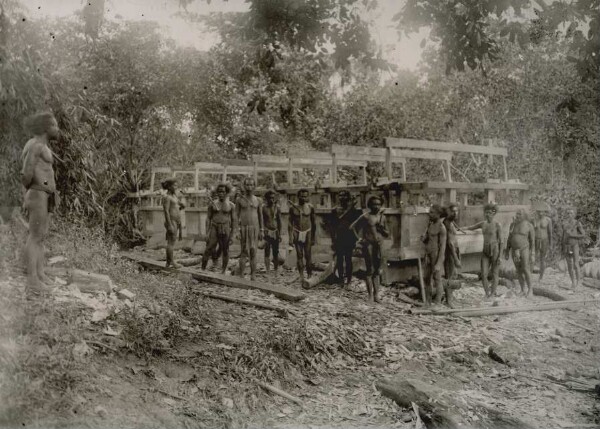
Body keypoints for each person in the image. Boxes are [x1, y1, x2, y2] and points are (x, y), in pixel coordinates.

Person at [21, 111, 60, 293]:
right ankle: (32, 281)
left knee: (41, 236)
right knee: (35, 236)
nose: (57, 129)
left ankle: (40, 273)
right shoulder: (35, 145)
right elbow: (26, 173)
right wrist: (30, 194)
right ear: (46, 128)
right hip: (38, 194)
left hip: (45, 194)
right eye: (54, 125)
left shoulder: (42, 145)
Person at [465, 203, 503, 299]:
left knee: (495, 273)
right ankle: (487, 293)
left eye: (489, 213)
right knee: (483, 274)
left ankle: (492, 293)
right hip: (485, 251)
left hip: (495, 251)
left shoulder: (498, 225)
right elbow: (471, 227)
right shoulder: (483, 224)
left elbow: (501, 242)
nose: (487, 215)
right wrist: (459, 229)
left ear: (494, 213)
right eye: (486, 213)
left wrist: (500, 257)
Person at [330, 190, 361, 287]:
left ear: (348, 197)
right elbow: (332, 226)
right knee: (339, 258)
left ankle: (349, 279)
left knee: (348, 258)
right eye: (340, 195)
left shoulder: (354, 210)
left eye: (344, 196)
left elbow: (358, 225)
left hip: (349, 237)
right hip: (338, 237)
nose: (342, 198)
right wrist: (333, 239)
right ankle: (340, 279)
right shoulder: (335, 210)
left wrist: (356, 237)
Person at [202, 183, 235, 274]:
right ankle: (202, 269)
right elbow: (208, 218)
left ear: (227, 192)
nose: (221, 193)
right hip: (214, 227)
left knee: (225, 249)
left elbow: (234, 221)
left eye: (223, 192)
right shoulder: (213, 204)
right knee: (208, 248)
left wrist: (232, 235)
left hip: (225, 227)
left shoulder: (231, 205)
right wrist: (207, 233)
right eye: (219, 191)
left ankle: (223, 271)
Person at [236, 177, 263, 280]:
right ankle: (241, 275)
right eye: (247, 185)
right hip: (243, 228)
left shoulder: (258, 200)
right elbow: (235, 216)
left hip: (255, 228)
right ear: (244, 186)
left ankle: (253, 275)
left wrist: (262, 230)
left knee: (253, 251)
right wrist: (236, 231)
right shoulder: (239, 200)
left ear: (254, 186)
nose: (249, 187)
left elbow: (260, 216)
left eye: (251, 185)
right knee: (243, 252)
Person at [505, 209, 535, 297]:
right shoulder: (513, 225)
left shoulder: (529, 225)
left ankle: (530, 289)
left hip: (524, 249)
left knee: (526, 269)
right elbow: (509, 239)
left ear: (524, 215)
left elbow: (533, 241)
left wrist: (532, 254)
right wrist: (507, 251)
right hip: (514, 251)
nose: (517, 216)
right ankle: (522, 290)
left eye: (519, 214)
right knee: (518, 271)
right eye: (517, 214)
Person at [288, 189, 316, 282]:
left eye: (305, 196)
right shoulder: (293, 208)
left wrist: (313, 237)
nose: (304, 198)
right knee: (299, 255)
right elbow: (290, 223)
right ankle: (301, 275)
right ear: (298, 196)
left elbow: (314, 223)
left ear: (308, 196)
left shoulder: (310, 207)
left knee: (308, 255)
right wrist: (290, 237)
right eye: (302, 196)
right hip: (297, 231)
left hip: (307, 232)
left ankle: (309, 274)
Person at [422, 204, 446, 306]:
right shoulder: (430, 225)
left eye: (432, 212)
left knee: (437, 279)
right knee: (426, 278)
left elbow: (443, 247)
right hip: (428, 254)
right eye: (429, 212)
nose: (429, 214)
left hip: (436, 255)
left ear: (438, 214)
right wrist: (423, 238)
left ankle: (438, 303)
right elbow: (426, 240)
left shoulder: (442, 228)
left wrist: (438, 263)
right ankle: (428, 302)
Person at [162, 178, 185, 268]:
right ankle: (171, 262)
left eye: (176, 185)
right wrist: (170, 225)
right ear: (169, 186)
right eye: (174, 185)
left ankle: (168, 262)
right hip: (171, 221)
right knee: (171, 242)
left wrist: (181, 205)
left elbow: (179, 204)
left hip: (176, 221)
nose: (176, 187)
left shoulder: (174, 196)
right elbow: (166, 211)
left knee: (171, 242)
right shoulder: (167, 197)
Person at [443, 203, 461, 308]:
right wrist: (456, 258)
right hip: (450, 252)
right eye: (453, 211)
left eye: (457, 211)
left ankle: (450, 298)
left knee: (453, 275)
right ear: (449, 212)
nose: (455, 213)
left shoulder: (451, 222)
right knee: (449, 275)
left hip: (454, 250)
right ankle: (449, 300)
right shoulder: (447, 223)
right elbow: (450, 243)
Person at [562, 208, 585, 288]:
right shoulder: (564, 223)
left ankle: (578, 282)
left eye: (571, 213)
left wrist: (573, 235)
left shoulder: (577, 223)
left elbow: (583, 234)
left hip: (575, 245)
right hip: (567, 246)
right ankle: (573, 282)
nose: (569, 215)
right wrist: (563, 246)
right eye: (568, 213)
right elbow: (563, 236)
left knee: (576, 264)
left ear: (574, 214)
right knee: (569, 265)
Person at [262, 190, 282, 273]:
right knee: (267, 250)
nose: (271, 200)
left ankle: (276, 269)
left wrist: (280, 234)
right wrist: (263, 230)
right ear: (266, 198)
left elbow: (279, 221)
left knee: (275, 251)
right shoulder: (263, 208)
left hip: (275, 232)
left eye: (273, 198)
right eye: (269, 198)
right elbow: (262, 220)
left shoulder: (277, 208)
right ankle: (267, 269)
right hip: (267, 232)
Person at [534, 206, 553, 281]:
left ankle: (541, 276)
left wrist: (551, 245)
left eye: (542, 212)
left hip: (544, 240)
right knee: (533, 257)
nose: (541, 213)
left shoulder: (548, 220)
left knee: (542, 258)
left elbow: (550, 233)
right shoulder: (535, 219)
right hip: (536, 240)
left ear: (545, 212)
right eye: (539, 211)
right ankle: (529, 274)